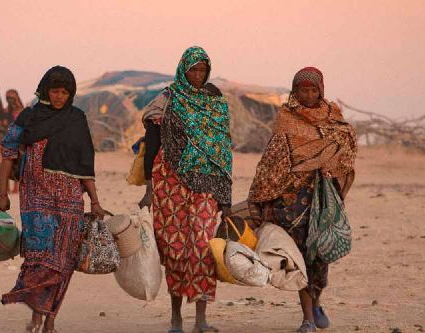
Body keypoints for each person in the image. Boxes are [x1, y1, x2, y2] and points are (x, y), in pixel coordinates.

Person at [0, 66, 106, 333]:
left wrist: (95, 201)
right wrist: (1, 194)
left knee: (64, 260)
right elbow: (8, 153)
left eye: (65, 92)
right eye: (55, 90)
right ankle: (35, 312)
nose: (59, 96)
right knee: (38, 257)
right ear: (45, 90)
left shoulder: (76, 119)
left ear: (71, 93)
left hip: (70, 199)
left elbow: (85, 165)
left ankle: (51, 319)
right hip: (35, 195)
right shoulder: (29, 117)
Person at [247, 67, 357, 333]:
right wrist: (261, 200)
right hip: (292, 202)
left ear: (321, 90)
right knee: (299, 259)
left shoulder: (334, 120)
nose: (308, 95)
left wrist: (330, 171)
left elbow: (346, 155)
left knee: (320, 258)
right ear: (294, 91)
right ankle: (307, 317)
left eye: (313, 90)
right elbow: (271, 163)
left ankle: (317, 302)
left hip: (324, 202)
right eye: (302, 90)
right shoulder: (286, 119)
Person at [139, 46, 232, 333]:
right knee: (174, 251)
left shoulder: (215, 104)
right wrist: (148, 189)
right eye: (193, 69)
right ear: (183, 69)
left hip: (206, 185)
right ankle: (176, 319)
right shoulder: (166, 101)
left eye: (202, 70)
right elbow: (151, 146)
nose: (197, 75)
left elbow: (224, 151)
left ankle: (201, 320)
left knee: (203, 249)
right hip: (170, 182)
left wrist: (225, 197)